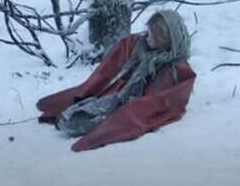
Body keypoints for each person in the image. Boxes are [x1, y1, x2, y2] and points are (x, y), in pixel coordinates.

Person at [36, 10, 196, 151]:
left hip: (133, 107)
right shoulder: (140, 48)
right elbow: (110, 70)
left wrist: (128, 110)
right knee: (73, 113)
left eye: (155, 34)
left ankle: (86, 122)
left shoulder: (175, 68)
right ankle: (73, 117)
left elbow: (161, 102)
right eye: (149, 31)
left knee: (81, 121)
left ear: (168, 39)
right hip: (119, 97)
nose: (148, 37)